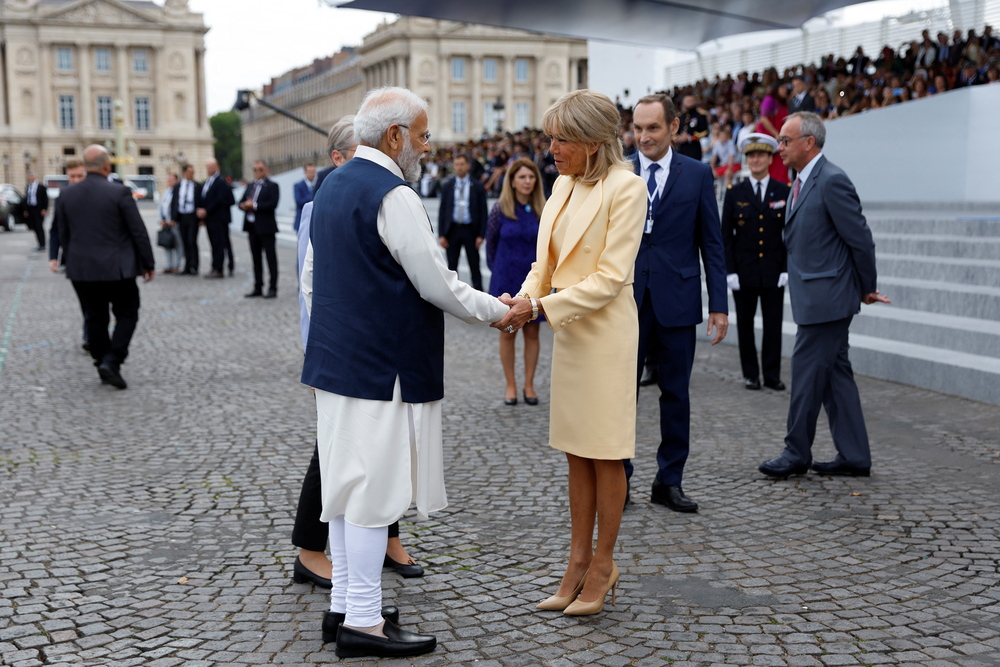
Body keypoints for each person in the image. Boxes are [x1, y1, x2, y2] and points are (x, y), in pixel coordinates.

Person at [301, 86, 509, 658]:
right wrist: (499, 311)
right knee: (372, 493)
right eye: (421, 135)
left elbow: (313, 280)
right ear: (394, 136)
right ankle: (362, 622)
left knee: (344, 492)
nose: (426, 146)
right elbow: (436, 282)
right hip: (381, 367)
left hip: (337, 362)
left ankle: (346, 605)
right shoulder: (393, 194)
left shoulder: (331, 184)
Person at [500, 89, 647, 616]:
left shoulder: (627, 188)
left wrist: (539, 309)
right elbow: (546, 263)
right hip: (568, 329)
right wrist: (522, 297)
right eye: (551, 138)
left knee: (605, 451)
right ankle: (576, 560)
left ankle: (603, 564)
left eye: (562, 138)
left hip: (605, 336)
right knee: (575, 450)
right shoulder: (560, 186)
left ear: (592, 141)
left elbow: (611, 278)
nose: (552, 148)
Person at [292, 115, 425, 593]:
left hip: (370, 350)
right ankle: (312, 550)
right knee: (339, 462)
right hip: (340, 354)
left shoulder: (381, 194)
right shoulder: (323, 202)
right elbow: (314, 288)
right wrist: (318, 354)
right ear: (339, 158)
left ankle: (379, 552)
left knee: (375, 461)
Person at [759, 112, 889, 480]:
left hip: (828, 301)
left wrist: (866, 287)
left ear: (808, 143)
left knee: (806, 376)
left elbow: (860, 239)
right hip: (816, 297)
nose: (778, 146)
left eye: (785, 140)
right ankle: (854, 455)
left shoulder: (831, 180)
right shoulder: (800, 181)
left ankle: (795, 452)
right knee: (835, 377)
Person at [628, 93, 729, 513]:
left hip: (678, 299)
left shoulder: (698, 174)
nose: (644, 136)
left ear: (673, 127)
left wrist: (718, 305)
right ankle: (619, 483)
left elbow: (711, 242)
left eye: (652, 128)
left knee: (676, 396)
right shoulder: (618, 172)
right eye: (637, 128)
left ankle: (669, 481)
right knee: (620, 396)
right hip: (626, 301)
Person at [56, 145, 154, 390]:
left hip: (82, 269)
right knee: (128, 312)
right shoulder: (118, 192)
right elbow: (137, 230)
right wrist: (148, 262)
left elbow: (63, 234)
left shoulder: (67, 195)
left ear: (85, 166)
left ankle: (103, 361)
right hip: (116, 268)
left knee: (94, 317)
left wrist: (72, 261)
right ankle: (112, 359)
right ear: (106, 166)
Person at [721, 133, 789, 392]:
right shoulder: (735, 193)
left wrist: (786, 268)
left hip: (773, 271)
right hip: (744, 270)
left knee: (773, 325)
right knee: (746, 326)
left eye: (761, 155)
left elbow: (789, 234)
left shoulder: (783, 191)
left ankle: (772, 375)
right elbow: (725, 236)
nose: (756, 159)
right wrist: (730, 271)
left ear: (770, 158)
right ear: (746, 160)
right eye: (751, 155)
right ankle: (751, 374)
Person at [485, 157, 546, 406]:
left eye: (531, 177)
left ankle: (529, 385)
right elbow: (491, 246)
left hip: (534, 280)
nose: (527, 181)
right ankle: (510, 386)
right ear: (512, 181)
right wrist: (498, 271)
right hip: (506, 279)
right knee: (508, 333)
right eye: (522, 177)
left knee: (532, 333)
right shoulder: (500, 209)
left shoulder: (544, 209)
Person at [48, 159, 89, 349]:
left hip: (101, 257)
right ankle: (90, 335)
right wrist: (53, 256)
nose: (76, 180)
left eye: (80, 176)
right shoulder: (63, 197)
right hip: (73, 258)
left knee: (98, 301)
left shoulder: (99, 194)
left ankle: (93, 334)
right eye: (73, 176)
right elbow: (55, 229)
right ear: (67, 177)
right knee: (86, 300)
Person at [438, 154, 488, 290]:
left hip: (470, 230)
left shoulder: (477, 186)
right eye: (456, 164)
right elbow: (443, 210)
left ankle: (480, 297)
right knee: (452, 267)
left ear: (468, 166)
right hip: (453, 229)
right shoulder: (448, 185)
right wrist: (441, 234)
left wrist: (481, 235)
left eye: (462, 164)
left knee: (474, 265)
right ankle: (452, 298)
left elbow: (484, 212)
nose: (459, 167)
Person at [239, 160, 279, 298]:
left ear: (266, 170)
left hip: (266, 227)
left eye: (260, 169)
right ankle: (258, 286)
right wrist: (244, 205)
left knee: (270, 258)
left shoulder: (272, 186)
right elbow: (241, 201)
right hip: (252, 227)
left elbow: (272, 204)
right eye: (255, 170)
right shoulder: (250, 185)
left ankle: (273, 287)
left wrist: (254, 205)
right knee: (256, 259)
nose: (257, 172)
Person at [197, 158, 236, 278]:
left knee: (219, 244)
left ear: (217, 167)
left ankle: (219, 269)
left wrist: (206, 210)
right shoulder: (208, 182)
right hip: (210, 219)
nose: (210, 169)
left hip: (218, 219)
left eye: (212, 167)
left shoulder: (220, 182)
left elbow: (219, 200)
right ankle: (215, 266)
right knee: (214, 244)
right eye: (208, 167)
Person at [758, 82, 789, 183]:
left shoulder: (783, 103)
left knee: (782, 167)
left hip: (781, 140)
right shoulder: (769, 100)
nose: (785, 90)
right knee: (773, 167)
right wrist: (776, 134)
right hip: (770, 141)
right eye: (782, 88)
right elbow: (763, 119)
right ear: (776, 89)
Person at [158, 173, 183, 274]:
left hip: (174, 222)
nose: (169, 182)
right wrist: (161, 219)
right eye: (168, 180)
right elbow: (161, 206)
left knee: (178, 244)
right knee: (167, 244)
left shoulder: (179, 192)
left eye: (171, 180)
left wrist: (174, 219)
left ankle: (176, 265)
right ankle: (168, 265)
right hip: (166, 222)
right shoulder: (166, 192)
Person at [675, 95, 709, 162]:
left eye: (691, 101)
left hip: (694, 149)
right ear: (683, 103)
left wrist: (689, 137)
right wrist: (679, 138)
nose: (690, 103)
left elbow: (705, 132)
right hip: (681, 149)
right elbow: (674, 132)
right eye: (687, 101)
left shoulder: (700, 115)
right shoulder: (680, 116)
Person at [23, 172, 48, 251]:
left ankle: (42, 244)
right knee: (34, 227)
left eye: (32, 176)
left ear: (35, 177)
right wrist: (26, 210)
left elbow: (45, 198)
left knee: (39, 226)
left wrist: (44, 209)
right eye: (30, 176)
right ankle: (39, 243)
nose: (31, 178)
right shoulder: (28, 187)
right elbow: (26, 199)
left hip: (38, 209)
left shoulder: (41, 187)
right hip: (31, 208)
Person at [293, 162, 317, 232]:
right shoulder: (298, 185)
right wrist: (313, 197)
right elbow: (299, 201)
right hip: (302, 220)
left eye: (314, 171)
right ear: (305, 173)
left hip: (315, 221)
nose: (312, 174)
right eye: (310, 172)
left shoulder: (319, 184)